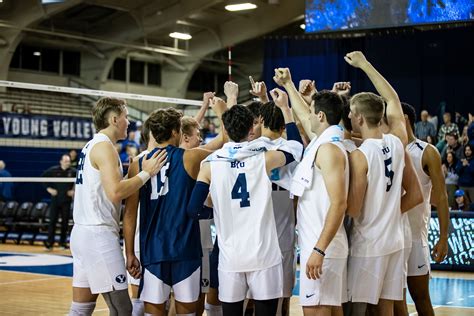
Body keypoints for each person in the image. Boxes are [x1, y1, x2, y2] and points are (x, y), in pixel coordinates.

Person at [187, 104, 303, 316]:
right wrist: (287, 110)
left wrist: (219, 212)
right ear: (252, 129)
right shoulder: (265, 158)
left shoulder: (210, 164)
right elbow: (296, 147)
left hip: (231, 257)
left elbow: (193, 210)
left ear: (225, 129)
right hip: (264, 255)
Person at [124, 98, 227, 316]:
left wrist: (129, 253)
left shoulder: (138, 164)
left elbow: (130, 215)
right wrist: (220, 111)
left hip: (153, 250)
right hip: (185, 248)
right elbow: (227, 141)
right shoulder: (192, 157)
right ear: (174, 132)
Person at [69, 97, 167, 316]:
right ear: (114, 119)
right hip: (98, 236)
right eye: (125, 117)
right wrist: (146, 173)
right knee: (123, 309)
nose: (129, 122)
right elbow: (115, 193)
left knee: (80, 309)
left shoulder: (90, 145)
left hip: (82, 234)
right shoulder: (104, 147)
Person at [344, 51, 423, 315]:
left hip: (369, 244)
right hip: (395, 241)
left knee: (359, 310)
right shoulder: (397, 140)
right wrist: (365, 64)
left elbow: (354, 210)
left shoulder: (361, 156)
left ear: (358, 119)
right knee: (386, 308)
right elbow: (392, 98)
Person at [274, 67, 350, 315]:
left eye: (312, 112)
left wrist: (319, 249)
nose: (307, 116)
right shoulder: (326, 139)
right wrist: (289, 85)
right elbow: (304, 115)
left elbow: (340, 203)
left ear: (320, 115)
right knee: (330, 310)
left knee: (316, 311)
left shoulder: (329, 149)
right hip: (321, 245)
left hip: (323, 247)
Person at [400, 102, 450, 316]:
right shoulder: (385, 148)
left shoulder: (426, 152)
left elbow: (442, 196)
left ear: (404, 118)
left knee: (421, 299)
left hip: (415, 238)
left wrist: (443, 236)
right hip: (390, 239)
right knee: (393, 303)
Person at [42, 154, 76, 250]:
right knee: (52, 221)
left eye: (68, 161)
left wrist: (74, 190)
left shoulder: (73, 172)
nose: (67, 163)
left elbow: (79, 181)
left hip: (66, 200)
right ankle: (49, 244)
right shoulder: (54, 170)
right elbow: (43, 177)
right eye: (65, 161)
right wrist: (49, 189)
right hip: (55, 200)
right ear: (61, 161)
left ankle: (62, 243)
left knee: (65, 223)